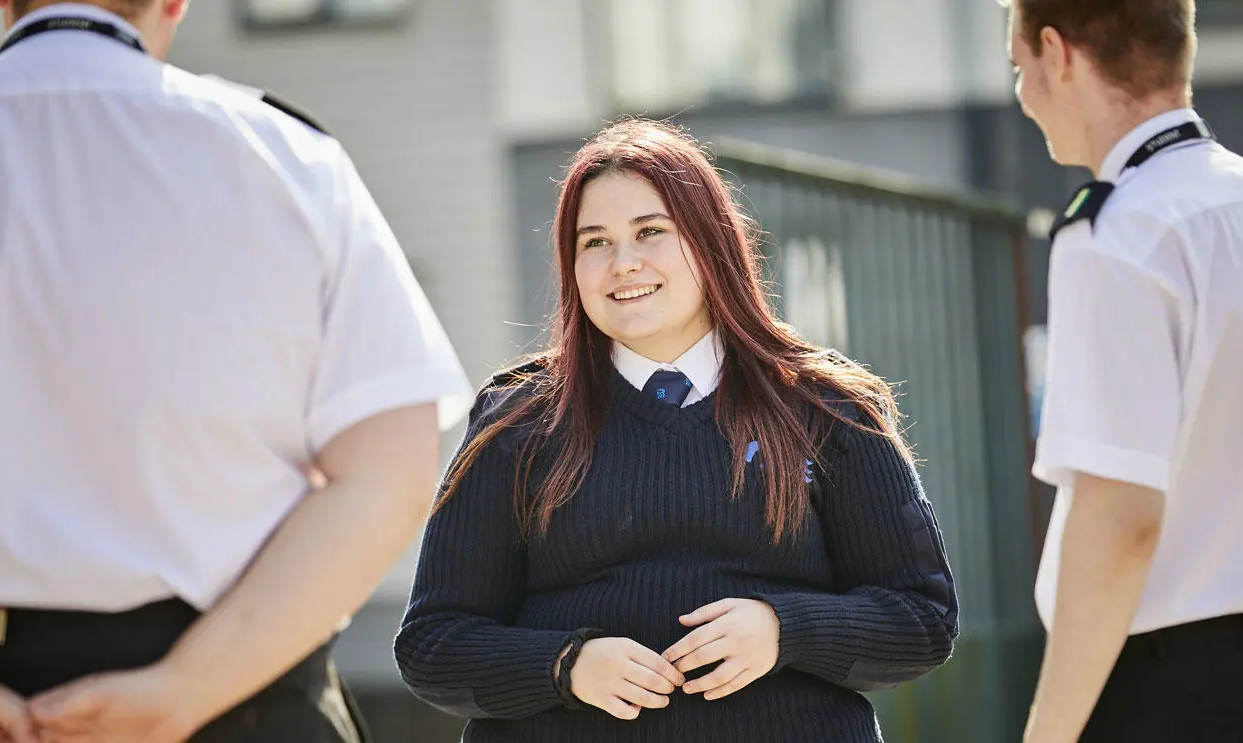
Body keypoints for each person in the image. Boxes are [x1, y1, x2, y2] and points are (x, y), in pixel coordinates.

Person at [0, 1, 473, 742]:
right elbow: (390, 474)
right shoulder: (284, 154)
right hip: (240, 702)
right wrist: (182, 692)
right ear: (175, 2)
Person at [393, 118, 959, 743]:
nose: (623, 263)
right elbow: (434, 645)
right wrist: (565, 666)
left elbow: (921, 620)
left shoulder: (828, 409)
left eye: (650, 232)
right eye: (595, 242)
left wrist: (785, 630)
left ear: (711, 243)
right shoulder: (518, 423)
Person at [1006, 1, 1243, 741]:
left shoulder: (1115, 237)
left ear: (1058, 52)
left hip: (1171, 684)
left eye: (1020, 68)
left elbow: (1121, 520)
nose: (1022, 94)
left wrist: (1050, 732)